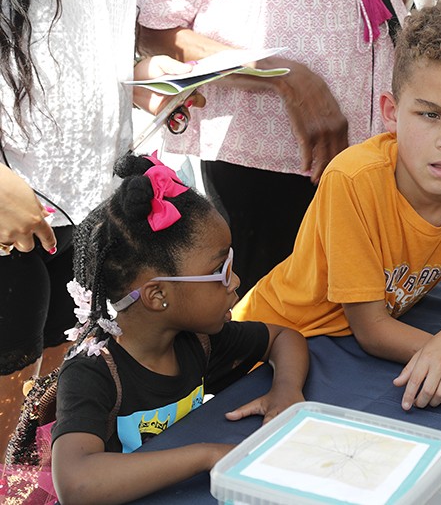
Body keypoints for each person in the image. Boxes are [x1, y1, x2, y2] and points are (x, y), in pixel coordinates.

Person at [233, 0, 441, 412]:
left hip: (345, 346)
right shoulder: (352, 180)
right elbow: (371, 329)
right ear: (391, 112)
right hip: (276, 340)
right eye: (430, 115)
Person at [0, 0, 203, 460]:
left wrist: (143, 80)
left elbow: (80, 40)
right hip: (11, 200)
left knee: (44, 406)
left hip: (86, 197)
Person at [135, 0, 434, 296]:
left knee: (352, 305)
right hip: (262, 160)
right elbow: (157, 33)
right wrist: (280, 75)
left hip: (373, 151)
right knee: (259, 312)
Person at [50, 152, 308, 504]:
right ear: (158, 295)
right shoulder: (93, 372)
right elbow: (77, 485)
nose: (235, 281)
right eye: (220, 270)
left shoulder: (198, 341)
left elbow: (283, 338)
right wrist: (204, 456)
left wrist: (286, 389)